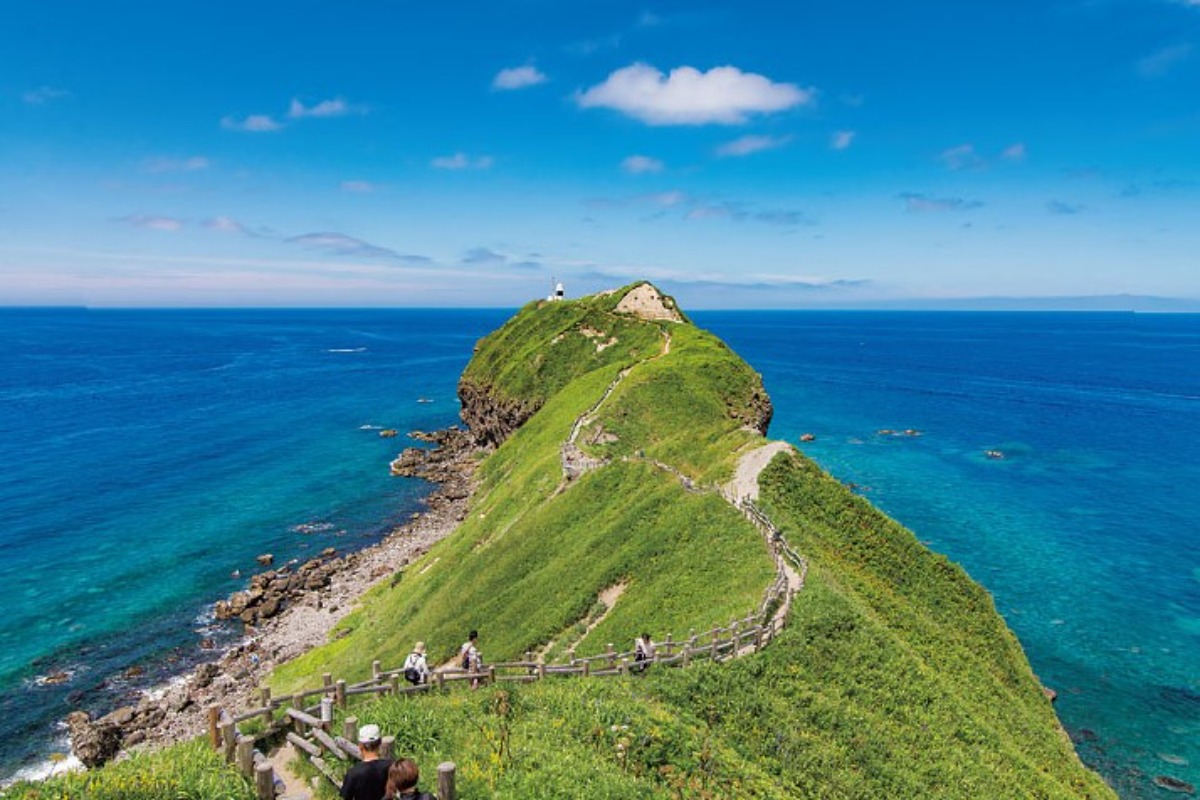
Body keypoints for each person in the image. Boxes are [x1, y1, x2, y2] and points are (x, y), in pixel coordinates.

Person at [340, 724, 391, 800]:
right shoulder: (391, 767)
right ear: (380, 743)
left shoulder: (353, 773)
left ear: (360, 746)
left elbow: (346, 796)